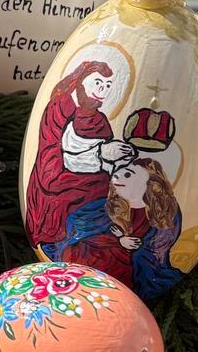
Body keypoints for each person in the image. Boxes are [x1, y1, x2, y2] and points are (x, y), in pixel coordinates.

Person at [24, 59, 136, 254]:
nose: (102, 90)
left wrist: (118, 159)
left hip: (95, 189)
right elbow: (52, 165)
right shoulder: (60, 107)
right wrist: (100, 154)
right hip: (59, 185)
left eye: (108, 86)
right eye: (98, 82)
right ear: (81, 82)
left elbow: (107, 163)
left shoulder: (99, 119)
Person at [54, 157, 183, 296]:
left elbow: (158, 247)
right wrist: (118, 240)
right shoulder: (106, 206)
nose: (117, 176)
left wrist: (133, 248)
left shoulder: (163, 213)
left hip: (131, 267)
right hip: (99, 258)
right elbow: (79, 226)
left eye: (128, 174)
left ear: (149, 183)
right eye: (118, 171)